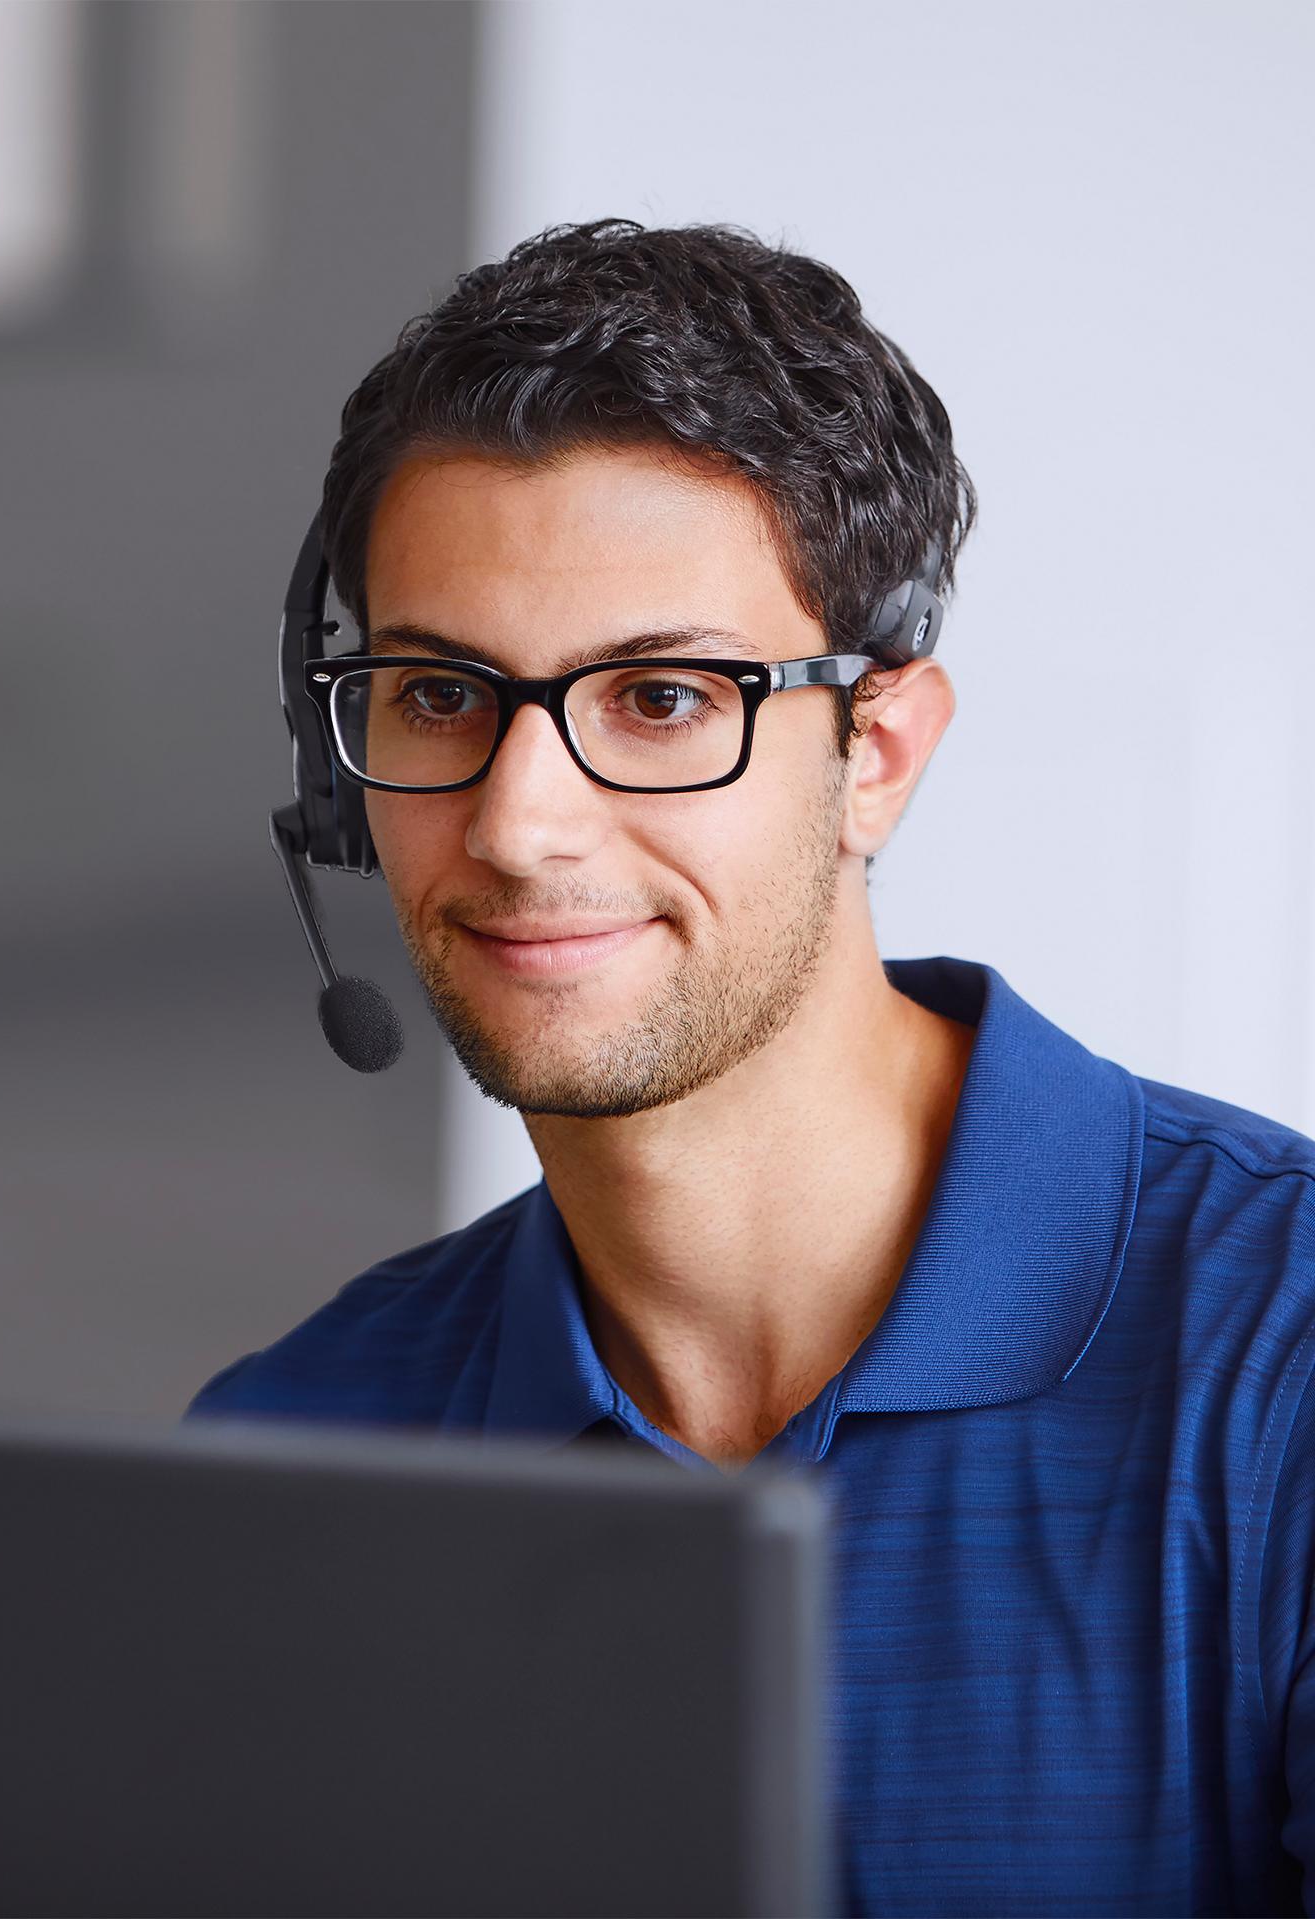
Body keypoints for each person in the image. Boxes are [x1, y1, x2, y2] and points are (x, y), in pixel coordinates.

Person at [186, 219, 1313, 1914]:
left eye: (659, 699)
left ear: (879, 756)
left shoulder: (1283, 1359)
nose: (515, 822)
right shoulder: (298, 1442)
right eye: (437, 695)